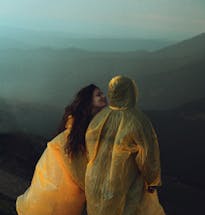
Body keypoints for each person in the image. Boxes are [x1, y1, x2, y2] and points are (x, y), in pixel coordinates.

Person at [16, 84, 108, 215]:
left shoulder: (83, 129)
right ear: (88, 101)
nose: (104, 96)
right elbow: (79, 170)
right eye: (98, 94)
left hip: (61, 198)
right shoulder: (73, 135)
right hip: (55, 198)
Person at [85, 75, 165, 215]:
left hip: (95, 180)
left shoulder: (99, 117)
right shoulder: (138, 120)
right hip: (125, 182)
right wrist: (151, 180)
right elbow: (148, 154)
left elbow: (90, 146)